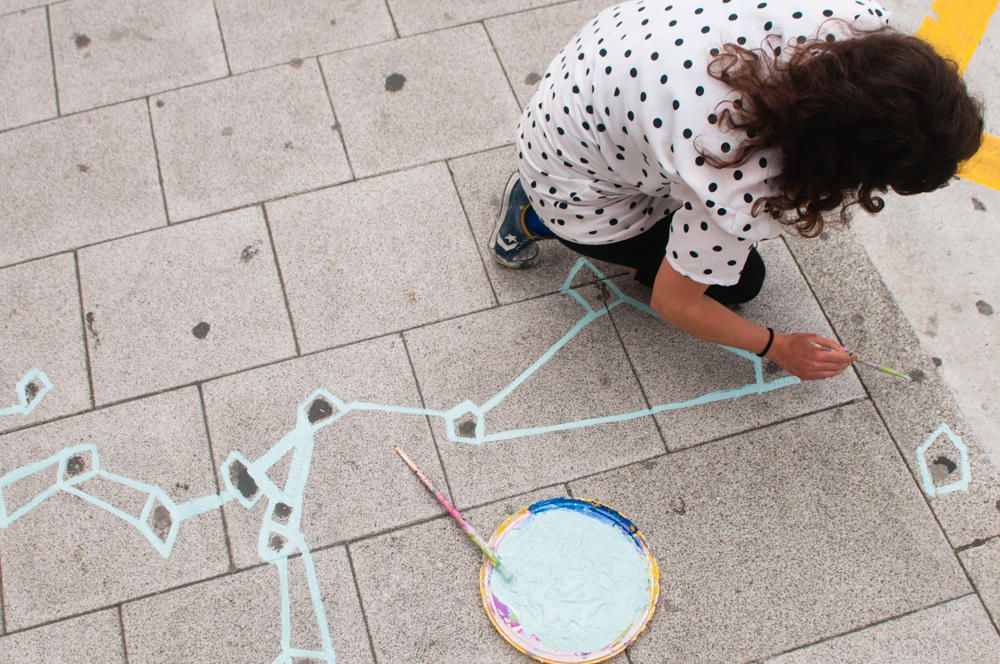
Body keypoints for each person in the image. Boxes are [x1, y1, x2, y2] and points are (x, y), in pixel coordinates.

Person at [489, 0, 983, 380]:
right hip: (570, 173)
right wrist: (777, 346)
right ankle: (531, 214)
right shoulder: (747, 175)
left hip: (600, 61)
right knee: (739, 283)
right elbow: (675, 303)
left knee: (712, 250)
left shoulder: (854, 17)